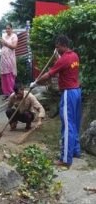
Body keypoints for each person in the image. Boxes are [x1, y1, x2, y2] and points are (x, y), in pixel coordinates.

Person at [30, 35, 81, 168]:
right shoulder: (74, 56)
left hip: (68, 93)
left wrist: (35, 83)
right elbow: (65, 67)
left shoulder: (63, 59)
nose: (56, 49)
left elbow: (48, 75)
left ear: (62, 45)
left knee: (67, 125)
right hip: (77, 92)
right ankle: (75, 151)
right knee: (74, 123)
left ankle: (65, 159)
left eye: (57, 47)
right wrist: (58, 57)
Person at [0, 23, 18, 99]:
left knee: (10, 75)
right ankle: (6, 93)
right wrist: (0, 43)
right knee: (4, 76)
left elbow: (14, 47)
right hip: (3, 59)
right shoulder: (3, 36)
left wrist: (6, 43)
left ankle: (12, 93)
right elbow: (1, 47)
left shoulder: (14, 36)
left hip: (10, 59)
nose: (7, 30)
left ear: (11, 29)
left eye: (9, 28)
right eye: (6, 28)